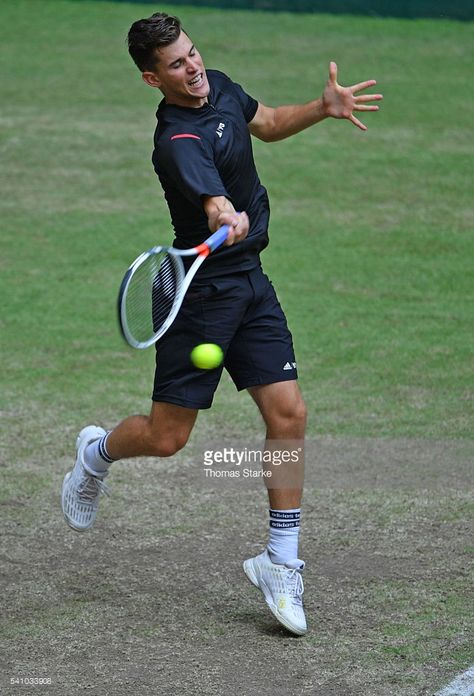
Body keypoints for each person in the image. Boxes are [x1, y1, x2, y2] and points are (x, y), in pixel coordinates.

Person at [61, 11, 382, 636]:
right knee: (166, 438)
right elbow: (209, 197)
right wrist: (223, 211)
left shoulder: (221, 86)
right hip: (199, 297)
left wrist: (321, 107)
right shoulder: (175, 142)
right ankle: (96, 453)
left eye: (193, 52)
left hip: (249, 282)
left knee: (288, 414)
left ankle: (280, 560)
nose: (194, 67)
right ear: (154, 80)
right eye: (177, 64)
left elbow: (264, 123)